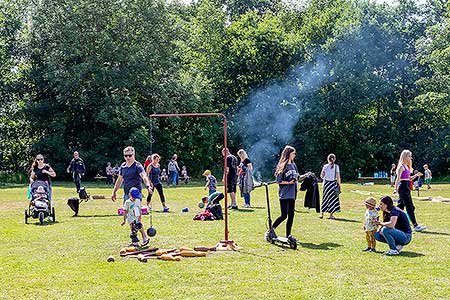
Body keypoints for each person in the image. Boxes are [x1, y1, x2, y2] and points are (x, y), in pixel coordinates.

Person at [272, 145, 310, 238]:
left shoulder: (293, 165)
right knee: (284, 215)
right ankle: (271, 229)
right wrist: (289, 182)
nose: (295, 155)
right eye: (293, 153)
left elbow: (297, 177)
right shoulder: (282, 166)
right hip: (284, 194)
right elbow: (278, 181)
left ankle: (288, 235)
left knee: (291, 215)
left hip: (292, 194)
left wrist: (305, 175)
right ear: (288, 154)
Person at [394, 150, 426, 232]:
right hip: (403, 187)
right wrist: (395, 188)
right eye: (409, 156)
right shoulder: (401, 166)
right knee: (410, 207)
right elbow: (398, 179)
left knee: (400, 207)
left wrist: (416, 175)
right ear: (404, 156)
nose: (410, 157)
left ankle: (395, 223)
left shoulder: (407, 166)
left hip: (406, 186)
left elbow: (409, 179)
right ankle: (415, 225)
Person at [320, 153, 341, 219]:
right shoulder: (336, 166)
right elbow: (338, 177)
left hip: (326, 185)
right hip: (333, 184)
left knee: (325, 199)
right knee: (333, 200)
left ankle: (322, 214)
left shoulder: (325, 166)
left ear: (328, 159)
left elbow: (321, 176)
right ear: (334, 159)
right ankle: (331, 215)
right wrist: (339, 185)